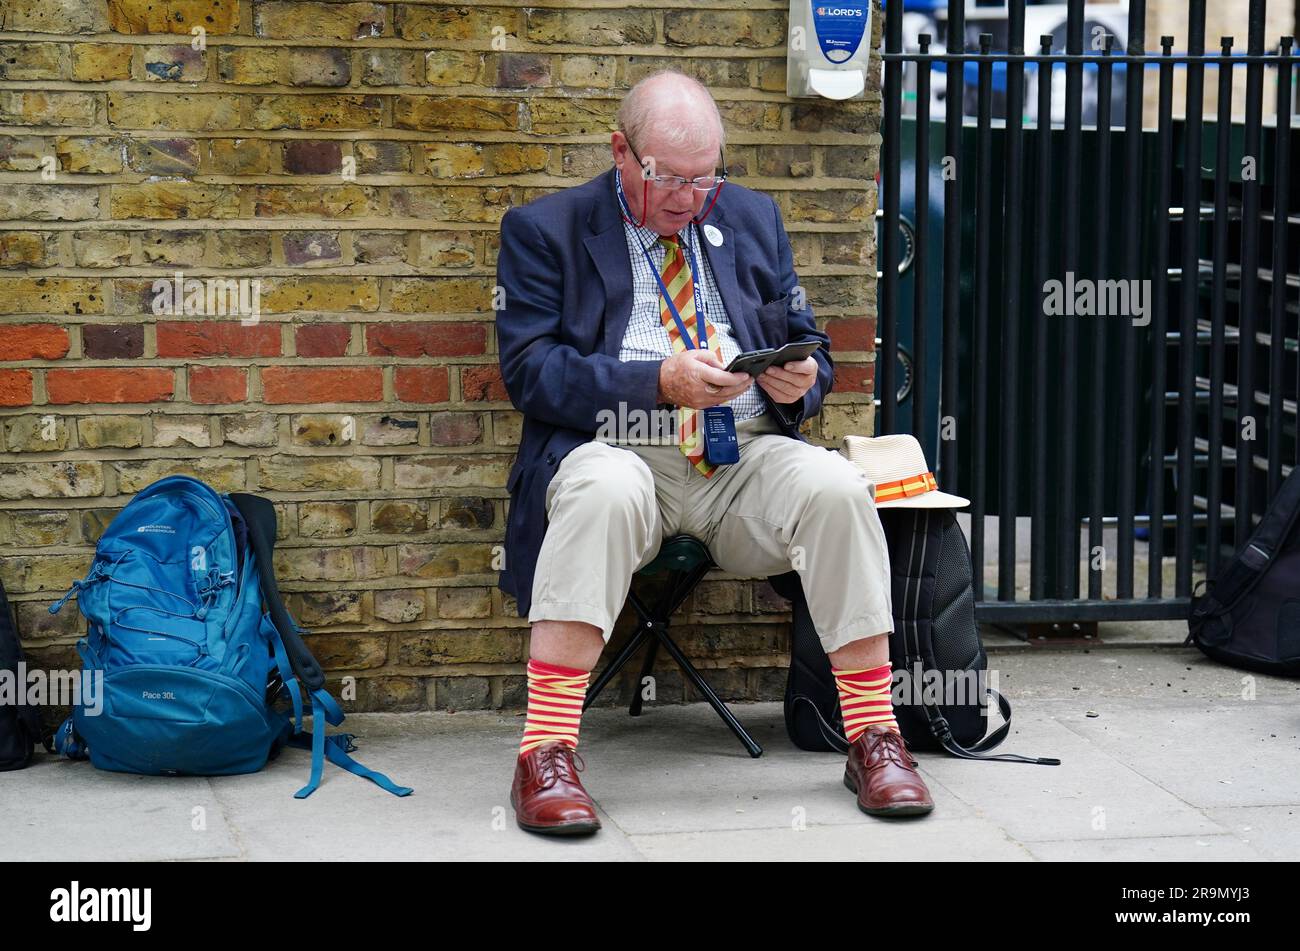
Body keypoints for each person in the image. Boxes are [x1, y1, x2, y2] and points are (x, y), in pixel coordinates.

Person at [494, 71, 933, 836]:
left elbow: (810, 345)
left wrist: (804, 380)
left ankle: (874, 737)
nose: (690, 198)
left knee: (837, 487)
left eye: (706, 178)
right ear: (621, 152)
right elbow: (531, 372)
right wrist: (657, 381)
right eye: (670, 178)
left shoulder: (753, 217)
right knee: (600, 489)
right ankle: (546, 753)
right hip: (620, 449)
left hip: (744, 455)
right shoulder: (545, 230)